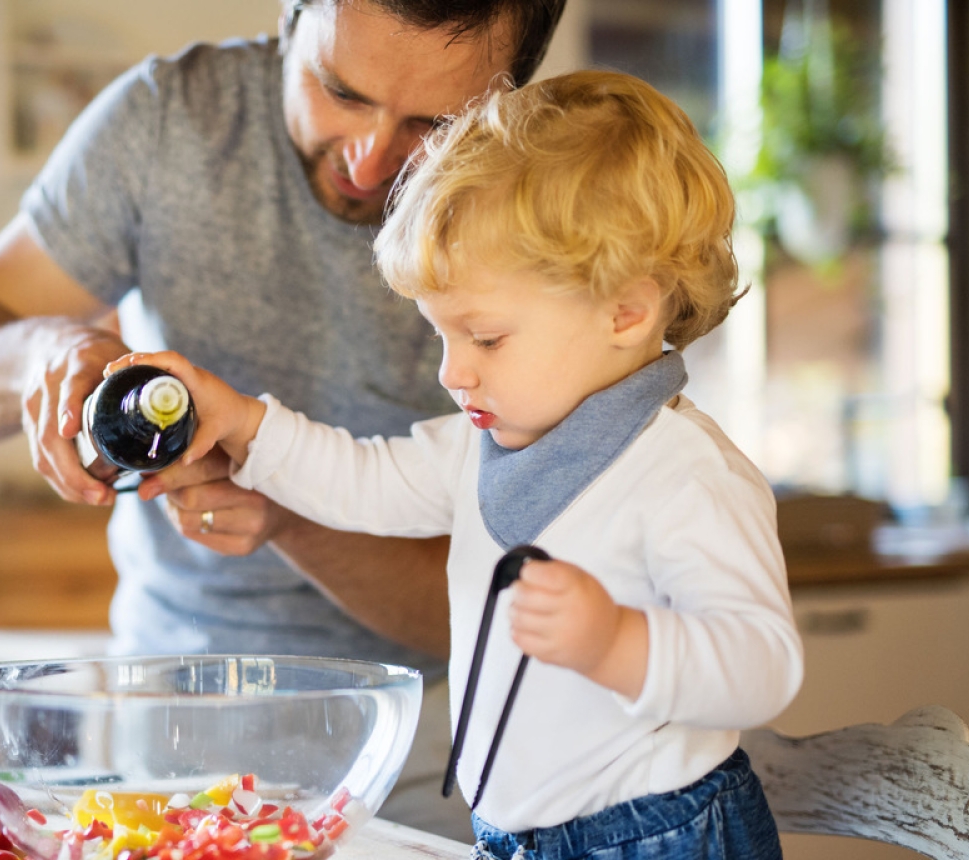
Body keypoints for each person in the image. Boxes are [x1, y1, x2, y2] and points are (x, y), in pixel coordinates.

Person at [0, 0, 566, 841]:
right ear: (292, 19)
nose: (370, 161)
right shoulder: (168, 121)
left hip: (435, 741)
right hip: (161, 722)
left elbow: (496, 612)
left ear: (512, 94)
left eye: (435, 124)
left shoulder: (545, 205)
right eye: (341, 91)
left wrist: (286, 509)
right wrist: (43, 353)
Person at [108, 70, 805, 859]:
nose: (451, 371)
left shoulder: (686, 476)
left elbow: (763, 665)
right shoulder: (481, 445)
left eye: (487, 337)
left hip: (660, 837)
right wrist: (241, 422)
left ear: (626, 311)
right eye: (443, 336)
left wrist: (618, 642)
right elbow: (358, 481)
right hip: (514, 836)